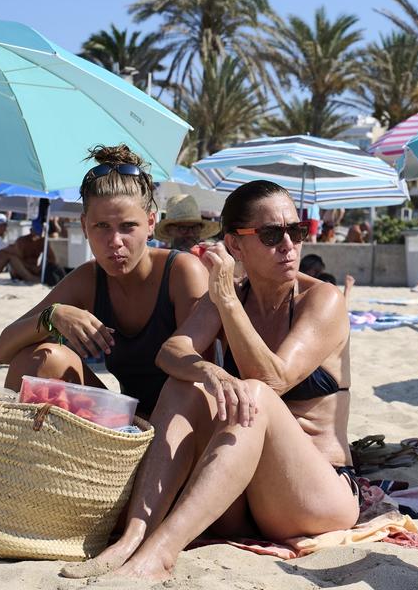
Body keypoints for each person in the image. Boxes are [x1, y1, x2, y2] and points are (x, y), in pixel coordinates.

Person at [70, 180, 357, 582]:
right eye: (271, 235)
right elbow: (170, 352)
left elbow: (274, 380)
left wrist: (226, 302)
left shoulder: (322, 299)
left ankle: (162, 553)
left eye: (296, 230)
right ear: (235, 246)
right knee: (184, 383)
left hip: (315, 494)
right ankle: (136, 535)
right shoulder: (232, 293)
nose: (289, 246)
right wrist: (208, 369)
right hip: (243, 494)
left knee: (253, 392)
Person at [0, 145, 208, 419]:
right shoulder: (88, 279)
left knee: (185, 389)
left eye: (128, 226)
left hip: (187, 420)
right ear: (84, 227)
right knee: (37, 358)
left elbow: (201, 375)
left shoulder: (181, 271)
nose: (115, 242)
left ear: (151, 223)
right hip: (129, 419)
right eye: (102, 227)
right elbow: (3, 351)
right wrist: (54, 315)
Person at [155, 194, 220, 253]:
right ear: (169, 230)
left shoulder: (209, 258)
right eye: (183, 228)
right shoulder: (159, 259)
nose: (190, 234)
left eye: (195, 228)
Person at [0, 219, 47, 283]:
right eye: (36, 233)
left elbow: (51, 258)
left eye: (39, 233)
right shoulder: (22, 241)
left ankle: (32, 276)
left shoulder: (43, 242)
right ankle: (30, 278)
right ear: (30, 230)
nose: (37, 236)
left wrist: (40, 267)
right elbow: (16, 259)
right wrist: (31, 267)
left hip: (34, 269)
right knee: (10, 256)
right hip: (20, 270)